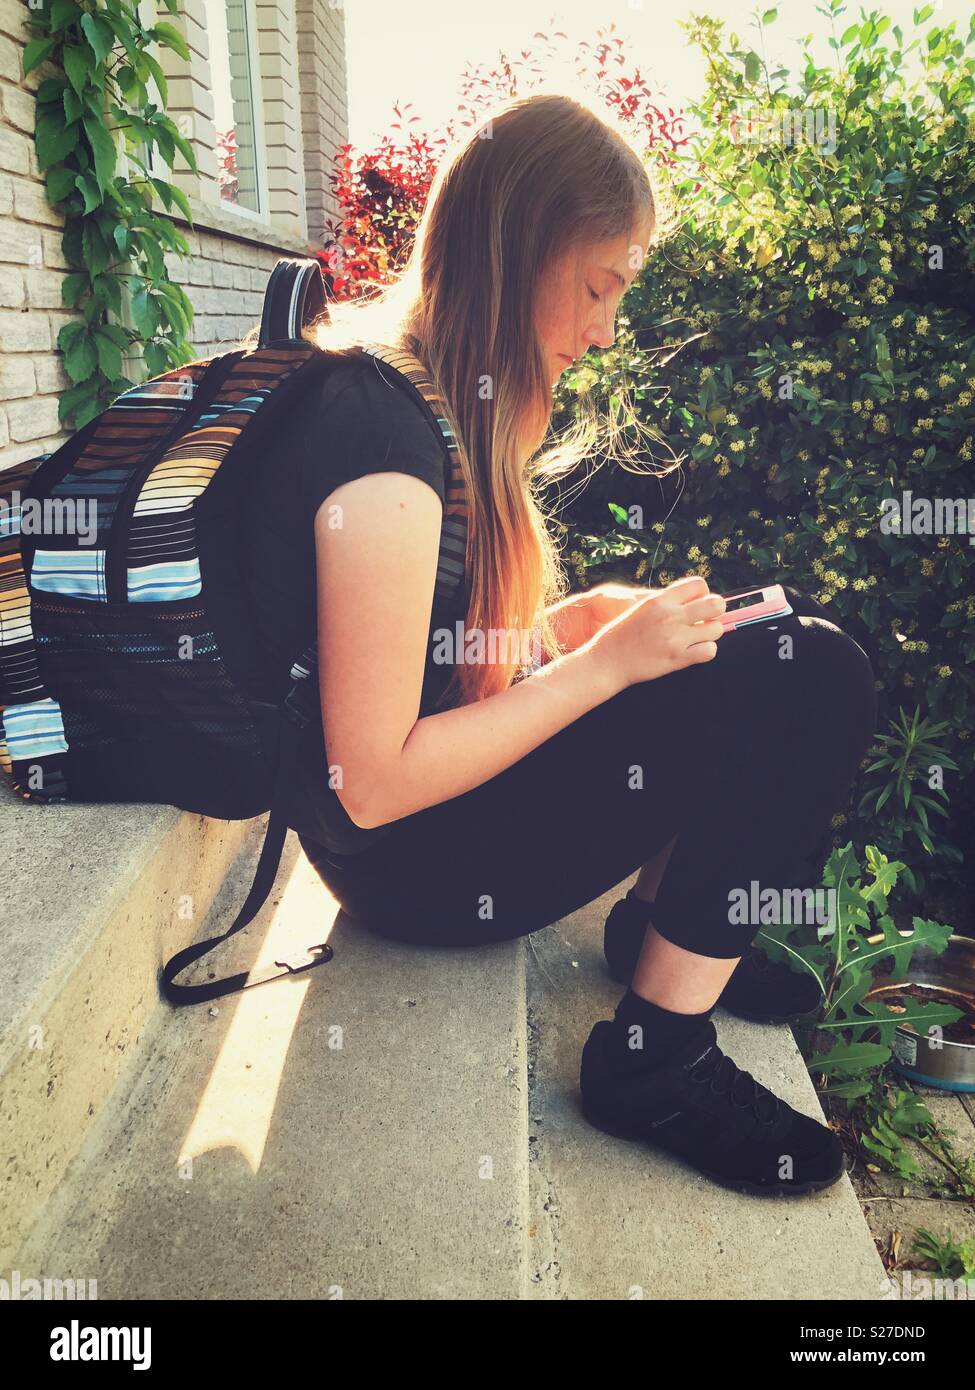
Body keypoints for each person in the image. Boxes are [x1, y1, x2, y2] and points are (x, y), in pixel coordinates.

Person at [244, 92, 877, 1198]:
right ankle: (656, 1062)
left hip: (415, 849)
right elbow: (375, 778)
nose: (603, 332)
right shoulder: (380, 442)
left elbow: (418, 653)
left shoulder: (410, 397)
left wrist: (558, 632)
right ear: (521, 245)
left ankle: (656, 939)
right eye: (600, 288)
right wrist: (599, 670)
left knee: (751, 647)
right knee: (813, 672)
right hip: (413, 869)